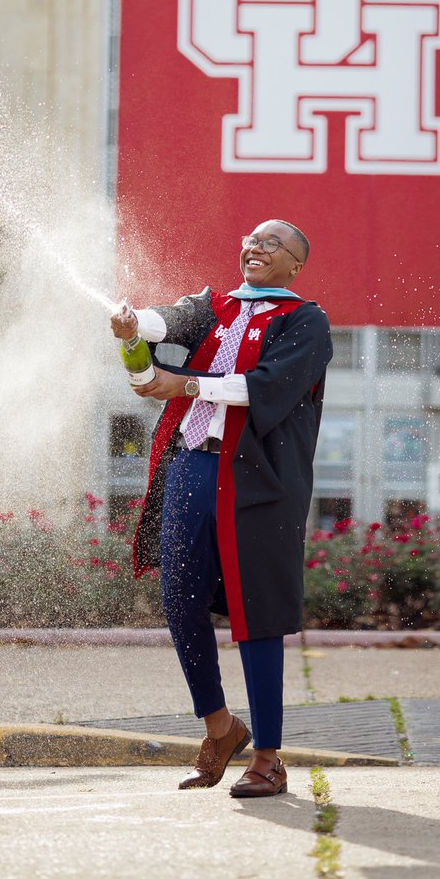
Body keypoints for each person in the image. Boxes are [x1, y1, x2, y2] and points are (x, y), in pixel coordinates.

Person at [110, 220, 332, 798]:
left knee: (257, 614)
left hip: (257, 481)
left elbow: (265, 387)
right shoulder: (217, 307)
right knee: (180, 600)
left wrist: (183, 386)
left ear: (295, 265)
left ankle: (268, 759)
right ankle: (221, 728)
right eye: (252, 239)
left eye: (273, 244)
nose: (256, 248)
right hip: (193, 464)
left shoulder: (305, 321)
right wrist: (136, 324)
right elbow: (170, 320)